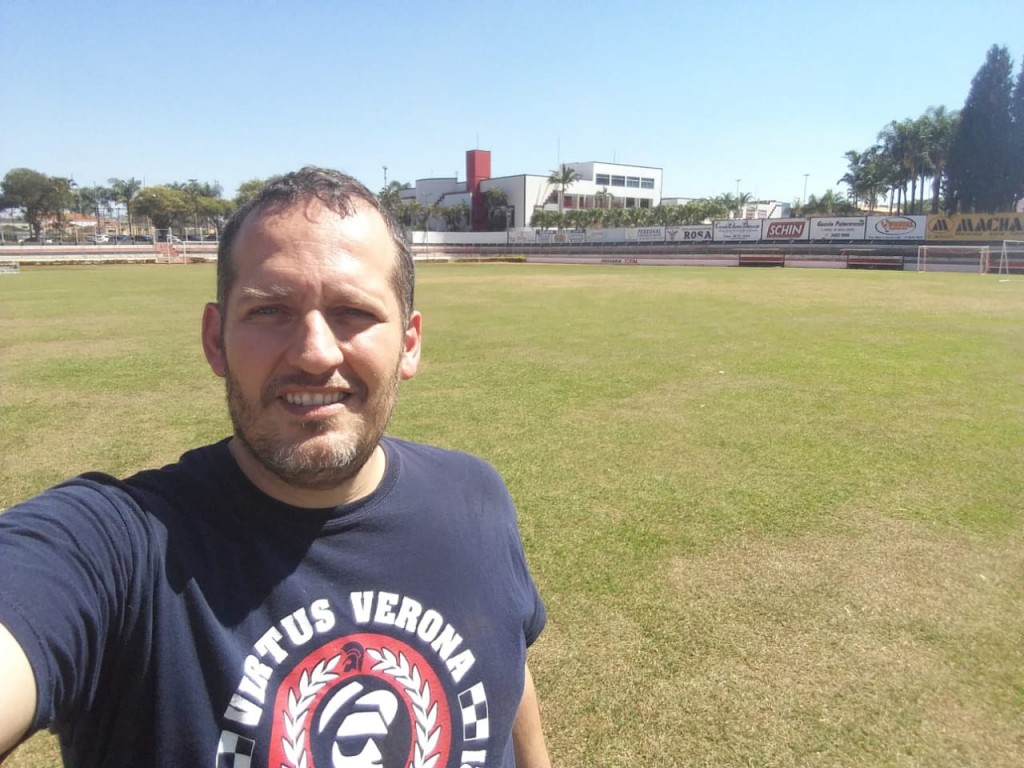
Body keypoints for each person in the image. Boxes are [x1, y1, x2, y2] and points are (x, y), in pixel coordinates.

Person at [0, 167, 551, 768]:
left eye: (354, 312)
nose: (315, 352)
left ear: (410, 344)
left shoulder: (477, 496)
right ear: (216, 340)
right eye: (269, 312)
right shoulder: (119, 549)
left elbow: (505, 664)